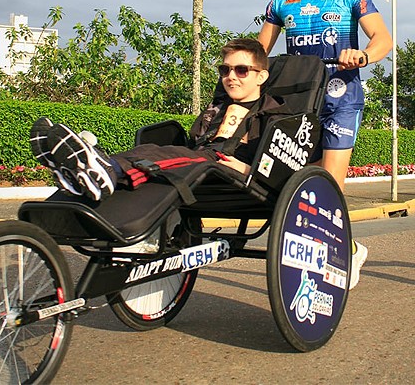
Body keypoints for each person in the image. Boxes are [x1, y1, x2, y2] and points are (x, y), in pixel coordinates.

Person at [30, 37, 368, 289]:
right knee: (161, 148)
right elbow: (194, 144)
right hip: (200, 172)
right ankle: (89, 176)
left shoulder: (277, 116)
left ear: (261, 76)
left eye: (241, 70)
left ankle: (105, 168)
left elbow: (275, 166)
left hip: (236, 177)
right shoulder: (215, 111)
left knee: (187, 157)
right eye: (225, 70)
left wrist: (240, 165)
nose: (231, 76)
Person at [258, 0, 393, 286]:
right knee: (294, 180)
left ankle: (336, 256)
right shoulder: (282, 1)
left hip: (341, 99)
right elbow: (259, 54)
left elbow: (383, 38)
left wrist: (363, 56)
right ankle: (347, 247)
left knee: (330, 183)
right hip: (298, 103)